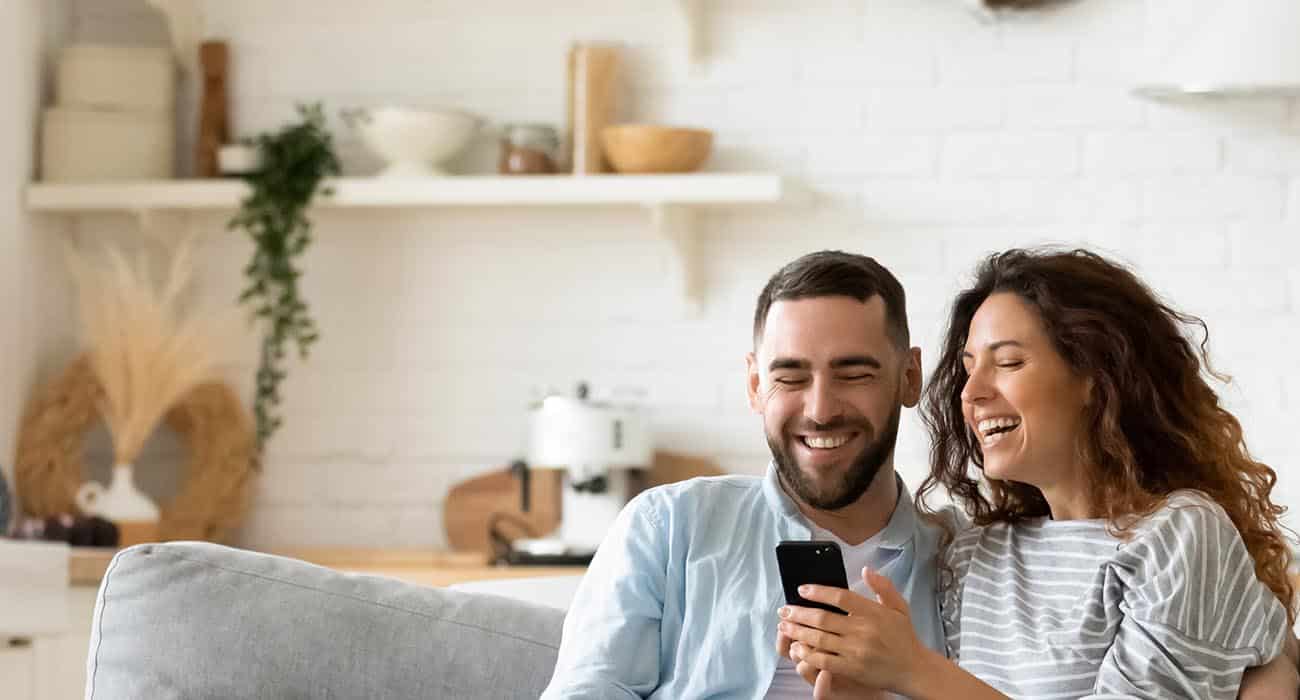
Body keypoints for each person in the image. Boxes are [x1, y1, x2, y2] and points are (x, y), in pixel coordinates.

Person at [778, 248, 1299, 699]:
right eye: (967, 366)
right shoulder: (972, 554)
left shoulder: (1178, 535)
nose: (971, 392)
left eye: (1007, 363)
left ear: (1095, 376)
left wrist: (914, 669)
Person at [541, 250, 945, 698]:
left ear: (909, 377)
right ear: (755, 385)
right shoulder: (669, 526)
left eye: (853, 374)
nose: (821, 410)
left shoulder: (965, 564)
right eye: (790, 378)